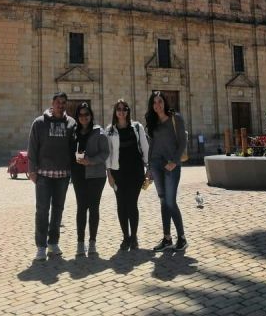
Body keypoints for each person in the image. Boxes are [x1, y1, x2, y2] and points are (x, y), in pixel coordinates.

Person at [28, 92, 76, 261]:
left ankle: (53, 243)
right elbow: (32, 147)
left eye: (64, 103)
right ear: (52, 103)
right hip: (44, 175)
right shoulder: (39, 123)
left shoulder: (71, 123)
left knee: (58, 210)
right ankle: (41, 246)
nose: (61, 105)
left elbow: (74, 147)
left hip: (63, 175)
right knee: (42, 210)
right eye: (58, 102)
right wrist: (31, 170)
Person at [145, 91, 188, 253]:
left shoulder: (175, 118)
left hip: (171, 165)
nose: (157, 105)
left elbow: (182, 142)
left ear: (165, 102)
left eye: (160, 101)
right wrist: (149, 167)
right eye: (154, 102)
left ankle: (182, 238)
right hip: (156, 164)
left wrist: (174, 161)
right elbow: (151, 146)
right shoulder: (153, 121)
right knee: (163, 201)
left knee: (170, 201)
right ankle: (167, 238)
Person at [105, 99, 150, 251]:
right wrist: (109, 174)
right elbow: (108, 154)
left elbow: (145, 148)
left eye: (124, 109)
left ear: (128, 110)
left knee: (131, 204)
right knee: (121, 205)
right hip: (118, 173)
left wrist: (148, 169)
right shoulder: (110, 130)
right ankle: (126, 237)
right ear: (115, 111)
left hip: (136, 172)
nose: (121, 111)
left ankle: (134, 236)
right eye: (119, 109)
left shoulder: (137, 127)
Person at [71, 102, 109, 256]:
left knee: (94, 208)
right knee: (81, 207)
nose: (84, 117)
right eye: (80, 115)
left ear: (91, 115)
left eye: (86, 114)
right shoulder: (73, 132)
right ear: (77, 117)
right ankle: (80, 243)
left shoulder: (99, 132)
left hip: (96, 176)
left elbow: (105, 153)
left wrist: (90, 161)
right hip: (79, 174)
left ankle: (92, 242)